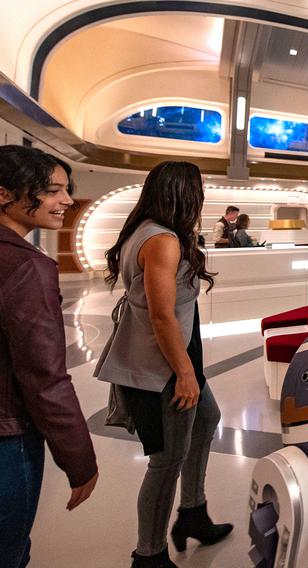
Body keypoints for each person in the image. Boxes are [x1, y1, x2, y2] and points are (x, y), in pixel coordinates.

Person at [95, 161, 232, 567]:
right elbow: (161, 315)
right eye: (199, 187)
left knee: (207, 420)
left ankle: (192, 512)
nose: (203, 195)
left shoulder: (147, 231)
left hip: (174, 358)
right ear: (184, 193)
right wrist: (185, 374)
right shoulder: (162, 240)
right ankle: (149, 555)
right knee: (167, 460)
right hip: (162, 367)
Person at [0, 146, 99, 566]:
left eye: (67, 190)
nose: (67, 201)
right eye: (52, 191)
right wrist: (80, 459)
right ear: (4, 193)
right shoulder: (27, 266)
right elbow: (44, 377)